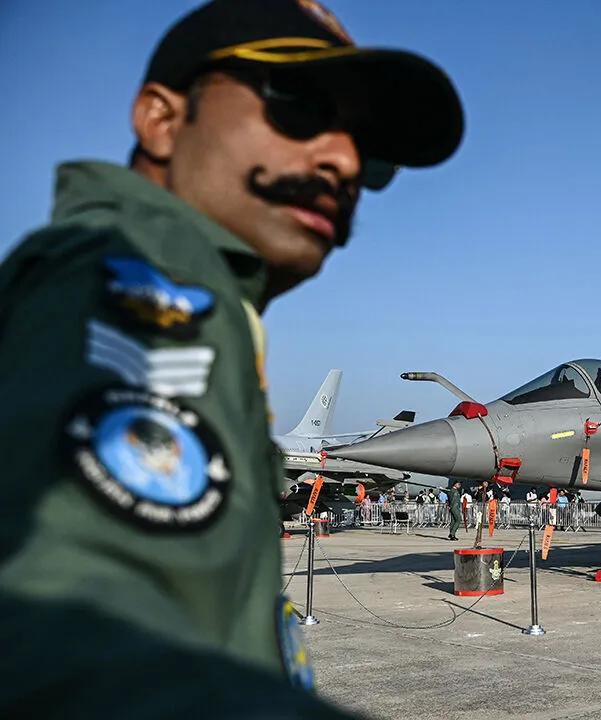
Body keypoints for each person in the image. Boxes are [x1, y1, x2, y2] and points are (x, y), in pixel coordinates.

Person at [0, 0, 462, 712]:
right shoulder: (126, 287)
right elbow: (86, 651)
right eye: (299, 104)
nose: (343, 160)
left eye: (368, 151)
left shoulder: (195, 307)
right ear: (161, 119)